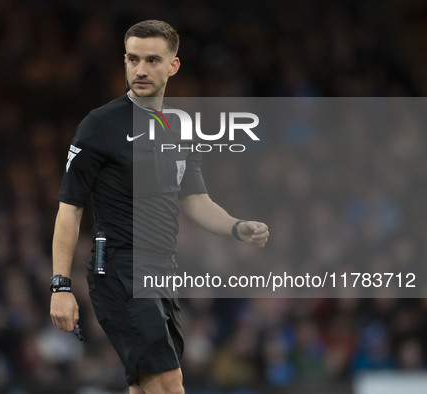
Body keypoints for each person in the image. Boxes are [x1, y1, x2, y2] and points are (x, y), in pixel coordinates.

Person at [50, 20, 269, 394]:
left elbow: (197, 201)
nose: (140, 69)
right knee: (168, 384)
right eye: (133, 59)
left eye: (152, 60)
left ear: (173, 65)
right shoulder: (100, 125)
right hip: (118, 269)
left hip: (162, 272)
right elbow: (69, 209)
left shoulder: (181, 125)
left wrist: (236, 226)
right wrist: (61, 286)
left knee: (145, 386)